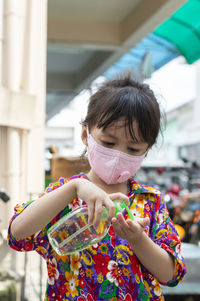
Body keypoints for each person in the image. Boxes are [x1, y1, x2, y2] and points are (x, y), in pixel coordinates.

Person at [8, 73, 186, 301]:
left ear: (147, 150)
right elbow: (17, 234)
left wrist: (137, 239)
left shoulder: (149, 201)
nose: (118, 155)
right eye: (108, 143)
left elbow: (170, 274)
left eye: (133, 149)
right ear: (85, 134)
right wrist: (74, 187)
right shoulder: (65, 195)